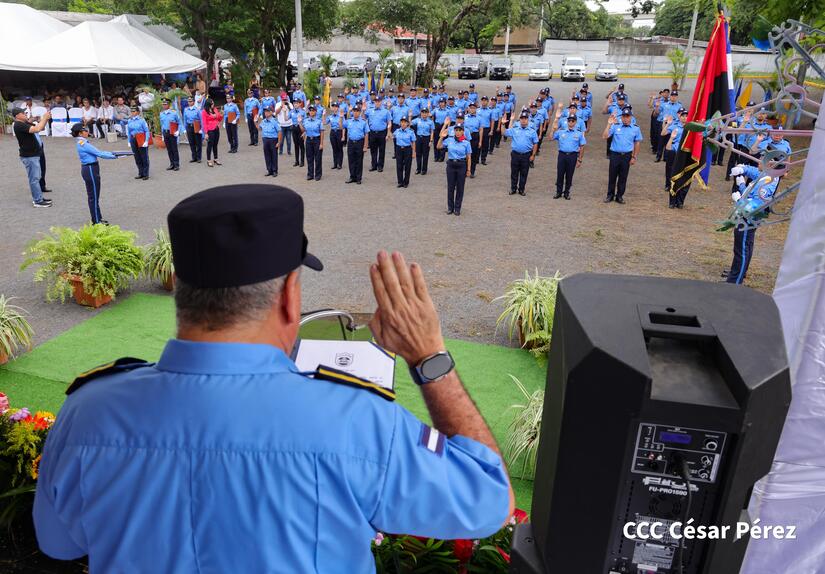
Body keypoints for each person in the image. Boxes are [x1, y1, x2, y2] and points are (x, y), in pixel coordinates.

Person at [33, 184, 512, 571]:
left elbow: (58, 543)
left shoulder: (87, 411)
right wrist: (429, 358)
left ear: (180, 288)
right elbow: (488, 500)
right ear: (289, 297)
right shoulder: (356, 422)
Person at [725, 165, 779, 284]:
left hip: (748, 218)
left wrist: (739, 200)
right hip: (747, 217)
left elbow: (753, 206)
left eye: (763, 157)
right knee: (744, 247)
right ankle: (736, 274)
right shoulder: (767, 175)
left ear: (771, 164)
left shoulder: (767, 183)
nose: (760, 160)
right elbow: (754, 174)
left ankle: (734, 282)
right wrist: (743, 169)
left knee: (742, 251)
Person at [71, 123, 119, 224]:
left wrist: (112, 153)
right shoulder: (83, 144)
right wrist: (115, 156)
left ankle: (98, 218)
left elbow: (98, 152)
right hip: (90, 169)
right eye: (85, 130)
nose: (87, 131)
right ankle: (96, 221)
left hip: (91, 168)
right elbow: (99, 153)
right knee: (94, 196)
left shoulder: (82, 142)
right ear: (80, 133)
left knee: (95, 195)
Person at [12, 106, 52, 208]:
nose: (25, 114)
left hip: (33, 154)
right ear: (17, 116)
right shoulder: (18, 125)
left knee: (36, 177)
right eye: (23, 113)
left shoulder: (24, 123)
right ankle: (37, 200)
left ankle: (39, 197)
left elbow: (41, 128)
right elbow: (37, 128)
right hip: (29, 155)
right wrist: (44, 118)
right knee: (34, 179)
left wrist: (45, 119)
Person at [602, 109, 643, 204]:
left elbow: (637, 143)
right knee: (612, 176)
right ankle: (610, 195)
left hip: (627, 156)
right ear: (621, 117)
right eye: (623, 116)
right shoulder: (615, 126)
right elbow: (604, 136)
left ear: (631, 117)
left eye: (627, 116)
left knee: (623, 177)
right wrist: (609, 124)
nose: (625, 118)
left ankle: (619, 196)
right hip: (615, 155)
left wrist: (634, 157)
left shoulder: (636, 128)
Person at [437, 124, 472, 216]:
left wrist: (468, 170)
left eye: (460, 130)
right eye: (456, 130)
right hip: (451, 165)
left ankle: (457, 208)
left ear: (463, 132)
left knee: (460, 188)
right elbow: (439, 147)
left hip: (461, 165)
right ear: (454, 131)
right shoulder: (449, 140)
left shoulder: (466, 143)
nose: (458, 132)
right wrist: (441, 137)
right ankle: (450, 208)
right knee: (450, 187)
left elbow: (469, 157)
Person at [552, 112, 587, 200]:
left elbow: (582, 146)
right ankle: (558, 192)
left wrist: (580, 159)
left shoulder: (579, 134)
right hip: (562, 155)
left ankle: (567, 193)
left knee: (569, 175)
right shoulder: (561, 132)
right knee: (560, 174)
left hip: (572, 156)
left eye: (573, 121)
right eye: (569, 121)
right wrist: (554, 126)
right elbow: (551, 137)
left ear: (575, 122)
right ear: (567, 121)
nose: (571, 122)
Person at [505, 112, 539, 197]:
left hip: (526, 155)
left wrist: (533, 155)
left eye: (525, 119)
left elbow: (535, 143)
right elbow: (504, 133)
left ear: (528, 120)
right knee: (514, 172)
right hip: (515, 154)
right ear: (519, 120)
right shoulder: (515, 129)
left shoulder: (532, 131)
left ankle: (521, 189)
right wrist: (502, 124)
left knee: (524, 173)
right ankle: (513, 188)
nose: (523, 120)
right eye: (522, 118)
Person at [662, 109, 688, 207]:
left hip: (686, 155)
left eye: (686, 116)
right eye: (683, 116)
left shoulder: (691, 128)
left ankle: (680, 202)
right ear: (679, 117)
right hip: (675, 153)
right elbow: (663, 133)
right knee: (674, 177)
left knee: (685, 179)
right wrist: (668, 124)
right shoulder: (675, 126)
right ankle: (672, 201)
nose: (684, 118)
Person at [343, 106, 369, 184]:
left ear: (360, 112)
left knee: (359, 161)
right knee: (351, 160)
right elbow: (341, 126)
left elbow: (366, 134)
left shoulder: (363, 122)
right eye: (354, 111)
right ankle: (352, 177)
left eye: (357, 111)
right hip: (351, 142)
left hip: (359, 142)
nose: (355, 112)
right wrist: (341, 117)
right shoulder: (349, 121)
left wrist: (365, 146)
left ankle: (358, 178)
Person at [655, 90, 682, 162]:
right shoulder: (664, 104)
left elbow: (681, 116)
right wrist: (657, 107)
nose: (673, 97)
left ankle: (666, 157)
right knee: (661, 141)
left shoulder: (679, 106)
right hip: (664, 123)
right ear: (670, 96)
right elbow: (657, 112)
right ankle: (658, 156)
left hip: (673, 125)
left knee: (669, 140)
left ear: (677, 97)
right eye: (672, 96)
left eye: (675, 96)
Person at [366, 99, 391, 173]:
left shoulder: (386, 111)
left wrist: (388, 133)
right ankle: (374, 165)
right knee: (373, 150)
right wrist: (363, 110)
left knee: (381, 150)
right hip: (372, 133)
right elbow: (363, 117)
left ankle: (380, 166)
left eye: (378, 101)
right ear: (374, 102)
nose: (377, 103)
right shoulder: (370, 110)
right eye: (376, 101)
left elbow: (389, 123)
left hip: (382, 133)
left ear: (381, 102)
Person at [300, 105, 324, 181]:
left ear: (316, 112)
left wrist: (321, 143)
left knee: (318, 158)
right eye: (310, 110)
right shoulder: (306, 120)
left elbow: (322, 132)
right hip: (309, 140)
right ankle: (310, 174)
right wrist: (299, 122)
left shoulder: (319, 121)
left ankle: (318, 174)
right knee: (309, 158)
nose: (311, 112)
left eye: (313, 110)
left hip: (317, 140)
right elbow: (303, 130)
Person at [127, 105, 150, 180]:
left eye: (134, 111)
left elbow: (147, 131)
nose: (132, 113)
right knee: (137, 157)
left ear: (138, 112)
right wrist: (129, 141)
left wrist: (146, 141)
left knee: (144, 157)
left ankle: (146, 173)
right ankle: (140, 173)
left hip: (141, 138)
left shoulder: (142, 120)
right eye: (131, 111)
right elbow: (129, 132)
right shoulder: (129, 120)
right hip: (133, 139)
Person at [257, 107, 282, 177]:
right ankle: (269, 170)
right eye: (265, 111)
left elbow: (279, 132)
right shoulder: (263, 121)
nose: (266, 113)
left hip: (273, 140)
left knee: (274, 155)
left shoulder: (275, 121)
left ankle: (274, 170)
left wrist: (279, 142)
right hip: (265, 139)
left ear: (271, 112)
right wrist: (255, 122)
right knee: (267, 155)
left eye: (267, 111)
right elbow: (259, 129)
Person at [159, 99, 182, 172]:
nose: (164, 105)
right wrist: (162, 134)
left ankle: (176, 164)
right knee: (169, 149)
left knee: (174, 149)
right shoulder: (161, 114)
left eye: (165, 104)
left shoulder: (174, 113)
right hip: (165, 132)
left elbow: (179, 123)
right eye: (163, 104)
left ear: (169, 105)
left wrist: (178, 131)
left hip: (172, 132)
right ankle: (172, 163)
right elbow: (162, 125)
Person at [392, 117, 415, 188]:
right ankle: (400, 182)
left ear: (407, 123)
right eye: (402, 122)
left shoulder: (411, 132)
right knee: (399, 165)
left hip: (407, 149)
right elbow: (393, 136)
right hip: (399, 149)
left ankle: (406, 182)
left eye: (405, 122)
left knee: (407, 166)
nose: (403, 124)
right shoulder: (397, 131)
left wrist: (414, 152)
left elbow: (413, 142)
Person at [411, 107, 435, 175]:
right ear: (421, 113)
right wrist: (410, 116)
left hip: (426, 138)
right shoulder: (417, 120)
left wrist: (431, 140)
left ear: (428, 113)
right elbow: (409, 124)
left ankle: (424, 169)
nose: (424, 114)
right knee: (418, 154)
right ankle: (418, 168)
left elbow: (432, 131)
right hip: (419, 138)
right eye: (423, 112)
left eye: (425, 112)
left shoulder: (430, 122)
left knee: (425, 154)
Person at [201, 98, 223, 167]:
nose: (213, 104)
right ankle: (209, 160)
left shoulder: (215, 109)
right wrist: (206, 133)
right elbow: (204, 123)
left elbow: (219, 119)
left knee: (215, 144)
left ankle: (215, 159)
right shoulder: (204, 112)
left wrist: (221, 115)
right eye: (212, 103)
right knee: (210, 145)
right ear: (209, 104)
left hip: (216, 128)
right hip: (210, 130)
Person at [463, 102, 482, 177]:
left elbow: (481, 130)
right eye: (470, 108)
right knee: (465, 155)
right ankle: (465, 171)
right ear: (468, 109)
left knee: (473, 155)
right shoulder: (465, 117)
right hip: (466, 137)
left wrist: (480, 141)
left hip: (475, 136)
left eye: (474, 108)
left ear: (476, 109)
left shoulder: (479, 118)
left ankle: (472, 171)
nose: (472, 109)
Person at [183, 96, 203, 163]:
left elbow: (201, 120)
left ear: (194, 102)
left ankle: (199, 157)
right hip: (189, 127)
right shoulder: (186, 110)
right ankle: (194, 157)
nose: (189, 102)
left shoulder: (197, 110)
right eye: (188, 101)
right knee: (191, 143)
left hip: (196, 126)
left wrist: (201, 129)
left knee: (198, 143)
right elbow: (185, 119)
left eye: (191, 101)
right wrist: (185, 128)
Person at [432, 98, 451, 163]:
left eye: (442, 102)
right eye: (440, 102)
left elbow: (449, 120)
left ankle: (441, 157)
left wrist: (448, 128)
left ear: (445, 103)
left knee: (443, 141)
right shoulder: (436, 109)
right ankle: (436, 156)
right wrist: (428, 107)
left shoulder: (448, 110)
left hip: (444, 126)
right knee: (436, 141)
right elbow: (430, 114)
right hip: (437, 126)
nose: (441, 103)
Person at [290, 100, 306, 167]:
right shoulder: (291, 111)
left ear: (299, 104)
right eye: (294, 103)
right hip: (294, 128)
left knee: (301, 145)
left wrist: (304, 131)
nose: (295, 104)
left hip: (300, 128)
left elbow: (305, 121)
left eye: (297, 103)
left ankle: (302, 161)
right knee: (296, 145)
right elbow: (286, 118)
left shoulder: (303, 112)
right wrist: (285, 111)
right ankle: (297, 161)